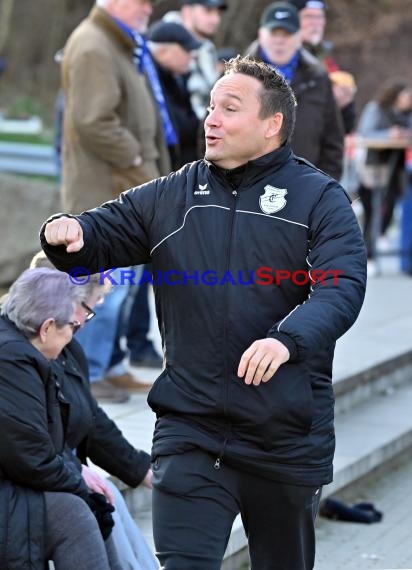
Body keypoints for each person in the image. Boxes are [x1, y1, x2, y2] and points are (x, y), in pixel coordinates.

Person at [41, 55, 367, 569]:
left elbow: (342, 287)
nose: (211, 119)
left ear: (271, 125)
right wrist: (67, 234)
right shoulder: (174, 193)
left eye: (229, 108)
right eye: (210, 106)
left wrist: (287, 339)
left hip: (283, 438)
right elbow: (100, 232)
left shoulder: (319, 199)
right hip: (190, 431)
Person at [60, 0, 171, 403]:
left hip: (127, 189)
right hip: (106, 193)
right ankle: (89, 372)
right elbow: (95, 121)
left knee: (122, 288)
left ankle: (110, 363)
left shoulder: (120, 43)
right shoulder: (94, 45)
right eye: (141, 1)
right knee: (103, 291)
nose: (149, 7)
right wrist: (136, 158)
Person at [30, 252, 159, 570]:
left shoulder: (68, 348)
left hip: (56, 475)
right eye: (92, 304)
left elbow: (90, 419)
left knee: (106, 502)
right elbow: (24, 442)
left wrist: (143, 469)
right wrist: (75, 471)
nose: (94, 312)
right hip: (30, 487)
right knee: (95, 507)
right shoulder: (18, 356)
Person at [0, 268, 117, 570]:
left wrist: (77, 474)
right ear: (47, 327)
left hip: (17, 480)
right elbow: (33, 458)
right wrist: (79, 483)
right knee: (77, 512)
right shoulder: (10, 361)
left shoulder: (24, 351)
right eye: (72, 328)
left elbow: (45, 443)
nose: (73, 338)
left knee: (90, 504)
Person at [246, 1, 344, 180]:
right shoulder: (237, 75)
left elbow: (333, 141)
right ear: (261, 34)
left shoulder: (318, 78)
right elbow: (211, 131)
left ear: (299, 37)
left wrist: (324, 188)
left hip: (304, 186)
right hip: (247, 185)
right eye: (274, 33)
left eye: (287, 33)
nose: (280, 40)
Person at [356, 78, 412, 260]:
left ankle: (380, 236)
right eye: (407, 96)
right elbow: (365, 132)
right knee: (372, 210)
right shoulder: (376, 108)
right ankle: (368, 254)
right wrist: (389, 134)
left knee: (391, 203)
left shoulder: (407, 114)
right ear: (396, 95)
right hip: (373, 166)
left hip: (396, 167)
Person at [290, 0, 357, 134]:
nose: (315, 23)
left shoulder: (326, 58)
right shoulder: (283, 54)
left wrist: (345, 104)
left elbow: (343, 126)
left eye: (319, 17)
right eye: (308, 16)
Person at [163, 0, 228, 121]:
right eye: (208, 11)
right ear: (187, 11)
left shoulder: (207, 49)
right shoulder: (164, 41)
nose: (216, 20)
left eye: (218, 13)